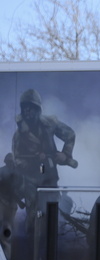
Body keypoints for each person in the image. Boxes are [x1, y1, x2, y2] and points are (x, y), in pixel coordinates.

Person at [11, 89, 77, 219]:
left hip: (50, 179)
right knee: (32, 219)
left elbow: (70, 134)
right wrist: (35, 161)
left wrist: (65, 154)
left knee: (52, 217)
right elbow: (17, 161)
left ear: (37, 109)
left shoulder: (50, 124)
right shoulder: (19, 135)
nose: (27, 111)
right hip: (31, 183)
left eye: (31, 107)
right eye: (25, 108)